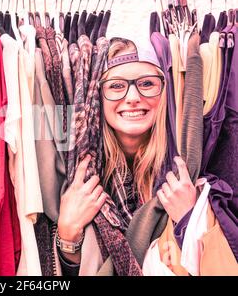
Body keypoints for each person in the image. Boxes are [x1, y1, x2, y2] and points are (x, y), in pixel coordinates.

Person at [55, 37, 236, 275]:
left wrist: (189, 220)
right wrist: (68, 236)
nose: (132, 97)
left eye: (147, 84)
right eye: (117, 86)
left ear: (165, 93)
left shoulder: (187, 171)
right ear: (99, 97)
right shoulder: (81, 174)